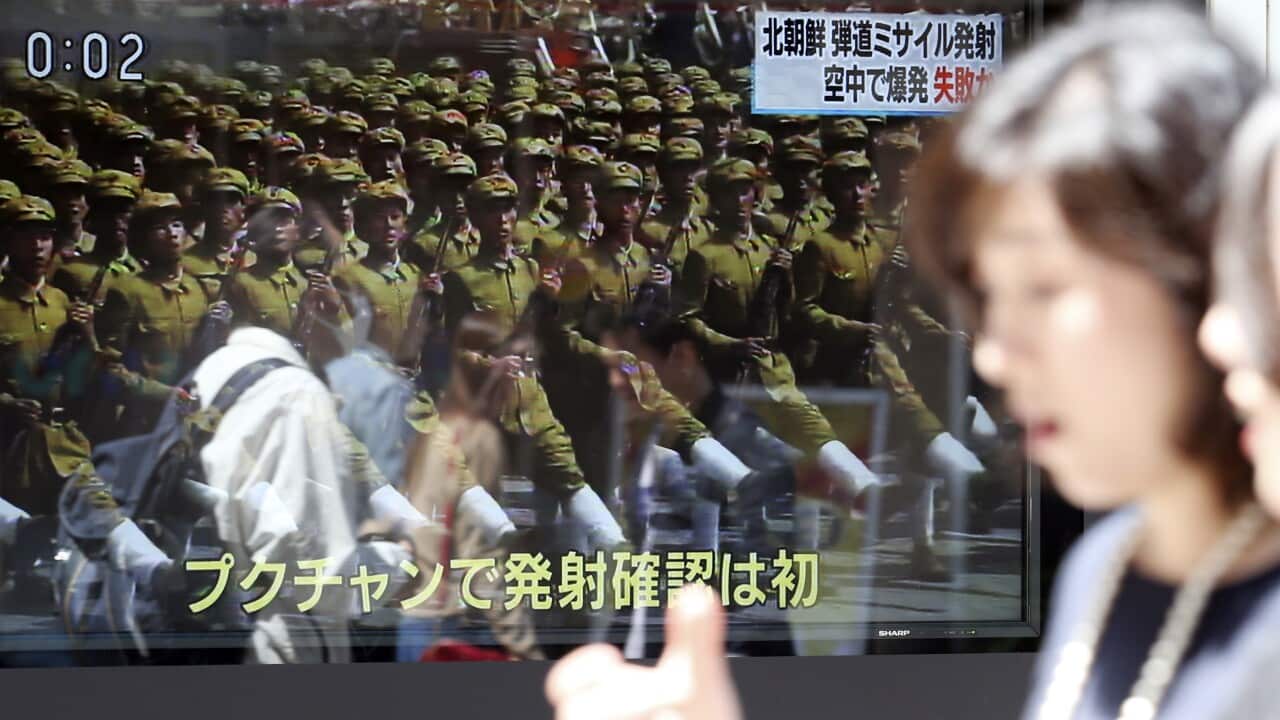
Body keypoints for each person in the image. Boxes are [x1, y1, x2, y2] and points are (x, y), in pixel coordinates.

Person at [545, 7, 1280, 720]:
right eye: (990, 295)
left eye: (1047, 289)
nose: (998, 350)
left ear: (1210, 277)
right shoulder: (1109, 571)